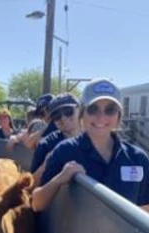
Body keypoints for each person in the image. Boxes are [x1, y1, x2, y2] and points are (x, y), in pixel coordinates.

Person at [32, 78, 149, 213]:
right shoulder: (64, 151)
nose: (101, 117)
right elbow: (36, 204)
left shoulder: (137, 158)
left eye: (110, 110)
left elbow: (146, 207)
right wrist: (59, 179)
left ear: (118, 116)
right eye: (93, 109)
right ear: (82, 114)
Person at [30, 93, 81, 184]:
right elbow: (31, 185)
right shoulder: (46, 144)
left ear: (79, 110)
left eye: (68, 111)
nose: (63, 118)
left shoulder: (96, 138)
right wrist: (46, 164)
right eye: (57, 116)